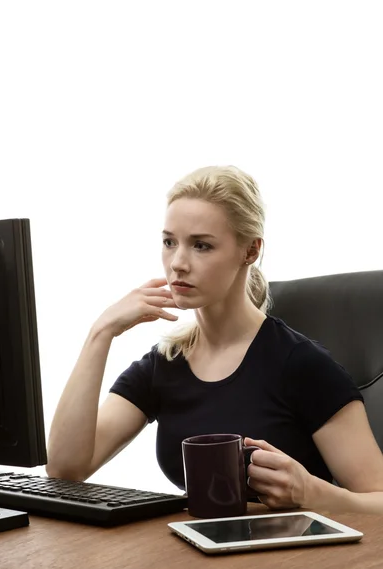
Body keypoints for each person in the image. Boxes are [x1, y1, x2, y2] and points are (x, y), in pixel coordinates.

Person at [46, 165, 383, 514]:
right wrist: (101, 333)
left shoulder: (301, 363)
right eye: (169, 242)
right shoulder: (165, 364)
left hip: (291, 561)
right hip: (196, 554)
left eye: (201, 246)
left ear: (250, 251)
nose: (177, 263)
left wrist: (315, 494)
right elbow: (65, 468)